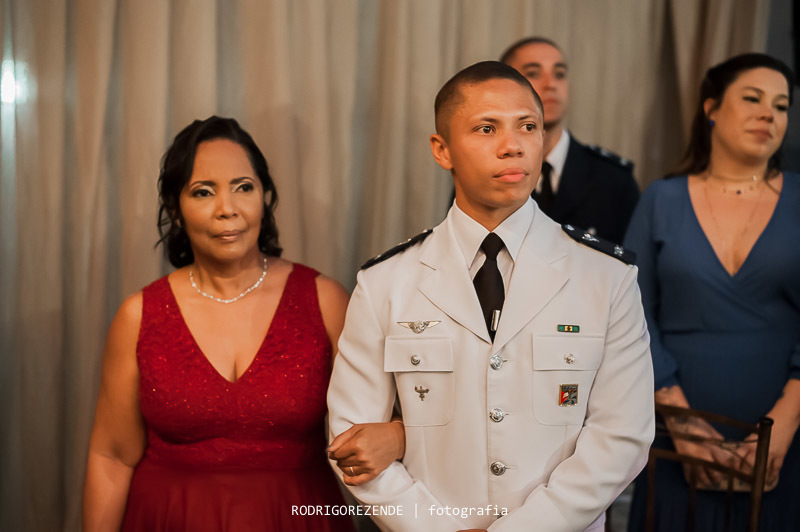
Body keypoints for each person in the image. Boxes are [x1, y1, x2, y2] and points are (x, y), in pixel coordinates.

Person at [327, 61, 655, 531]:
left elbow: (621, 437)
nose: (513, 146)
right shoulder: (385, 282)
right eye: (486, 128)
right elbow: (351, 438)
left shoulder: (606, 277)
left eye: (528, 126)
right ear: (442, 150)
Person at [83, 116, 373, 531]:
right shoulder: (139, 314)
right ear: (175, 211)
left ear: (265, 197)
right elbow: (111, 455)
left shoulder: (326, 300)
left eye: (244, 187)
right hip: (167, 519)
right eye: (203, 192)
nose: (227, 210)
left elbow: (381, 428)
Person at [624, 53, 800, 531]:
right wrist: (683, 425)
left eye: (782, 106)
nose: (769, 114)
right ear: (711, 109)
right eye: (752, 98)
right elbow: (629, 315)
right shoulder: (661, 199)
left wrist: (781, 429)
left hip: (787, 441)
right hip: (673, 439)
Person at [501, 37, 640, 244]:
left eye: (559, 74)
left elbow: (631, 266)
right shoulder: (486, 174)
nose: (551, 84)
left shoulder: (613, 179)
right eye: (533, 73)